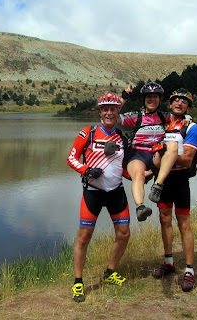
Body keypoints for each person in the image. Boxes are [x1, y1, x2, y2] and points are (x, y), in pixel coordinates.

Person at [66, 93, 131, 303]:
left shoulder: (122, 137)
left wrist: (143, 175)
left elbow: (126, 168)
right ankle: (78, 282)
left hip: (116, 192)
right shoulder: (89, 133)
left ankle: (110, 272)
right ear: (100, 112)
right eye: (105, 109)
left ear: (118, 111)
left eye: (113, 108)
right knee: (84, 237)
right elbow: (71, 158)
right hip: (93, 193)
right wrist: (86, 170)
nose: (109, 112)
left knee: (124, 234)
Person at [150, 88, 197, 292]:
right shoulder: (161, 126)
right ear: (170, 105)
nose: (179, 104)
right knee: (164, 220)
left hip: (179, 179)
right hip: (162, 177)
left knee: (184, 224)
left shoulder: (192, 127)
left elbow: (187, 159)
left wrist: (167, 154)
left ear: (188, 107)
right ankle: (169, 262)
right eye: (175, 101)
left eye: (184, 102)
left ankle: (189, 270)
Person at [119, 82, 181, 222]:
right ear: (144, 99)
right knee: (138, 174)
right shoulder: (136, 116)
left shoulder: (164, 117)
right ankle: (140, 207)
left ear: (160, 100)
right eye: (148, 97)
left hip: (155, 155)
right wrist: (124, 98)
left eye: (155, 96)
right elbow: (114, 117)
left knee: (172, 145)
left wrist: (187, 119)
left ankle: (157, 186)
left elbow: (179, 117)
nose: (152, 100)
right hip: (137, 154)